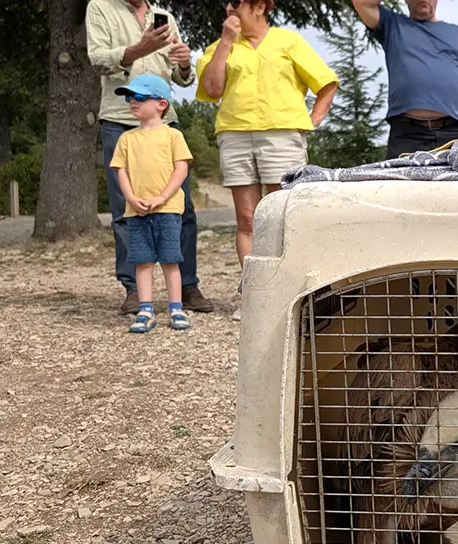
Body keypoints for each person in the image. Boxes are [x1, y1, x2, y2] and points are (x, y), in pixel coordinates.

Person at [195, 0, 338, 294]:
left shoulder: (289, 41)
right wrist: (225, 41)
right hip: (235, 135)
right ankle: (255, 294)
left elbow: (326, 82)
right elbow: (212, 89)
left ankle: (289, 290)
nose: (230, 9)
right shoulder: (219, 46)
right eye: (227, 4)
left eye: (237, 3)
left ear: (259, 6)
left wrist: (313, 119)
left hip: (282, 136)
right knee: (247, 219)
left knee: (284, 214)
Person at [86, 0, 213, 316]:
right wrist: (140, 49)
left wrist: (184, 64)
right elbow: (98, 60)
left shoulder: (165, 16)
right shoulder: (99, 8)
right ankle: (133, 289)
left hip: (164, 122)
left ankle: (187, 286)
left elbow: (182, 79)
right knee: (125, 210)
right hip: (119, 119)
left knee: (181, 207)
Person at [351, 0, 458, 157]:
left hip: (455, 132)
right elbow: (361, 3)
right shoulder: (392, 24)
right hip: (407, 133)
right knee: (402, 182)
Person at [109, 74, 194, 334]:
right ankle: (145, 309)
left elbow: (181, 170)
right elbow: (120, 171)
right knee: (142, 261)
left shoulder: (173, 136)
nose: (132, 102)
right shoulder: (126, 139)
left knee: (170, 260)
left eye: (139, 97)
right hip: (136, 211)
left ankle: (176, 308)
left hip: (167, 210)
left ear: (161, 104)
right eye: (129, 97)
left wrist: (161, 198)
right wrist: (132, 199)